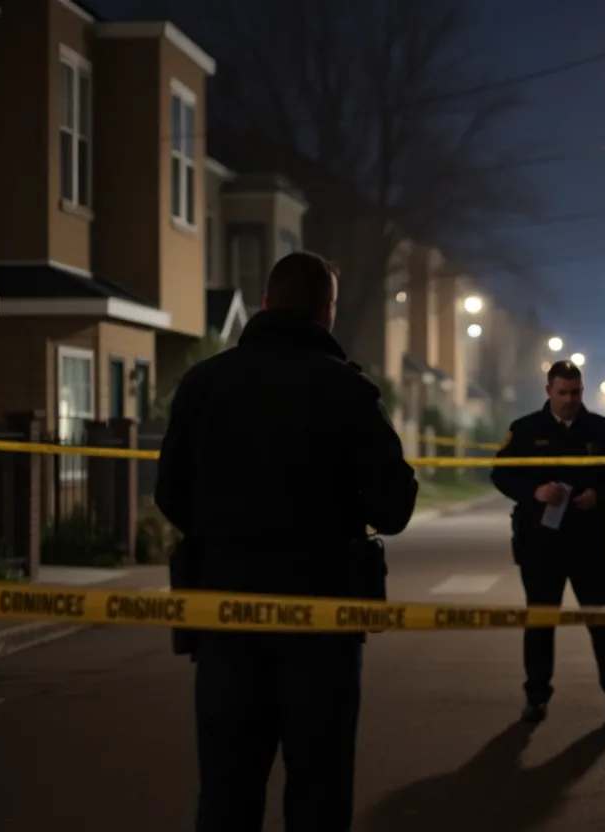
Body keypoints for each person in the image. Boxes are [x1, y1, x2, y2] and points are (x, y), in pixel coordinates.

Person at [154, 252, 418, 832]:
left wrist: (222, 531)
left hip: (223, 613)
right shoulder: (348, 391)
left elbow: (170, 492)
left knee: (227, 788)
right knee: (319, 790)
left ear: (266, 305)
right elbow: (394, 507)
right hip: (322, 617)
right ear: (326, 313)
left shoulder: (203, 384)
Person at [491, 360, 605, 726]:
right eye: (562, 393)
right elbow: (500, 474)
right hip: (541, 542)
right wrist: (534, 491)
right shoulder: (525, 430)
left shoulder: (602, 430)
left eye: (575, 393)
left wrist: (598, 495)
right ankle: (536, 698)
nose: (570, 400)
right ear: (548, 391)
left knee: (603, 617)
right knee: (540, 620)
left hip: (589, 541)